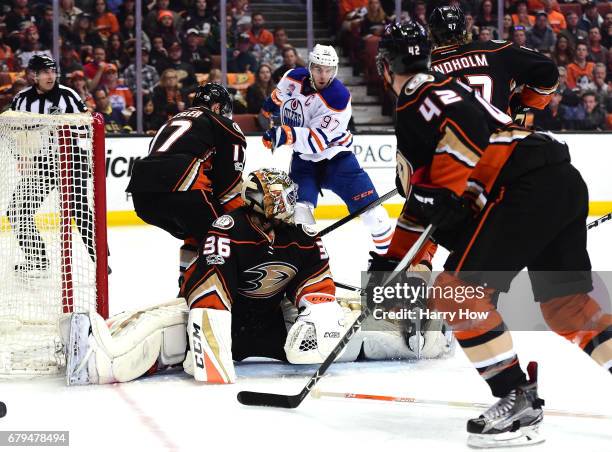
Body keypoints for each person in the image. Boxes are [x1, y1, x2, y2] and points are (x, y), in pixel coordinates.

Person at [376, 21, 612, 448]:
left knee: (454, 293)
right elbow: (422, 202)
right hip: (557, 178)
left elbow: (462, 135)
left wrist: (445, 188)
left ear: (384, 65)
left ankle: (516, 400)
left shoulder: (415, 94)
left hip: (522, 187)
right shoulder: (444, 87)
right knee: (568, 307)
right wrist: (393, 259)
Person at [61, 168, 449, 386]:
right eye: (281, 199)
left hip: (272, 318)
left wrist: (316, 317)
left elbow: (317, 283)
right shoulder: (228, 228)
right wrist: (211, 350)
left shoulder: (301, 233)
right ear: (260, 203)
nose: (289, 204)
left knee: (349, 331)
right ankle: (94, 355)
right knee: (162, 337)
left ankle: (427, 334)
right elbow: (209, 290)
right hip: (222, 318)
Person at [261, 44, 394, 255]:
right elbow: (280, 94)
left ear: (336, 70)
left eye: (329, 70)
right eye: (318, 69)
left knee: (374, 215)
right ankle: (301, 267)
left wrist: (281, 134)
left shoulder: (338, 97)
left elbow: (316, 142)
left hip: (337, 158)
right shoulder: (293, 77)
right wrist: (269, 107)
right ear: (310, 66)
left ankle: (389, 261)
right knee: (299, 216)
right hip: (304, 161)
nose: (323, 75)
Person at [127, 83, 246, 285]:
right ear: (217, 107)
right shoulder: (226, 125)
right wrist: (246, 222)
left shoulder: (171, 121)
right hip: (183, 187)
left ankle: (186, 284)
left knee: (196, 231)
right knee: (224, 234)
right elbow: (229, 188)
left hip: (143, 196)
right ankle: (223, 290)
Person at [8, 55, 93, 276]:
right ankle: (36, 259)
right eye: (45, 71)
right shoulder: (21, 99)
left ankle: (101, 259)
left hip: (70, 160)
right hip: (42, 164)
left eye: (52, 71)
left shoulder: (69, 95)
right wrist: (21, 157)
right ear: (33, 75)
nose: (50, 75)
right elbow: (15, 133)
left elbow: (88, 123)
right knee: (17, 211)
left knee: (80, 211)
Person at [429, 6, 558, 122]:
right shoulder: (497, 50)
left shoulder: (427, 67)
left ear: (432, 34)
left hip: (455, 144)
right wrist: (524, 103)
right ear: (465, 29)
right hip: (500, 142)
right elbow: (548, 69)